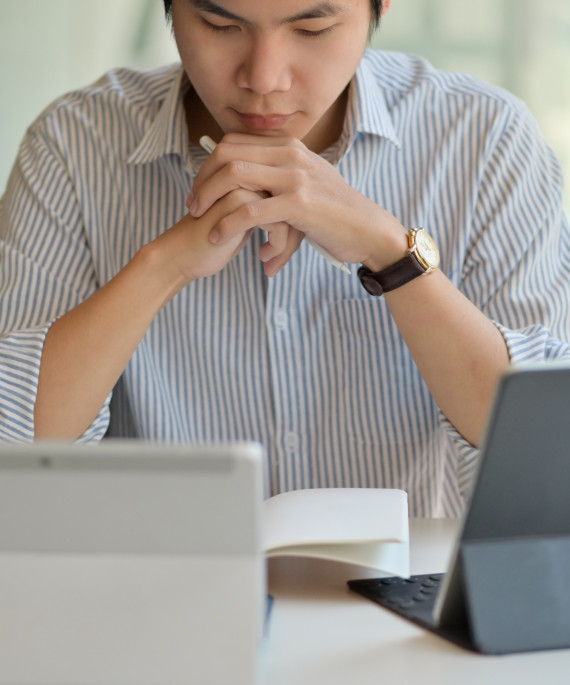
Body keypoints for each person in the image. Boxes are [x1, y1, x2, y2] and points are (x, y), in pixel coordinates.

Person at [1, 0, 569, 516]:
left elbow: (547, 460)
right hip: (159, 604)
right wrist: (164, 263)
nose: (264, 79)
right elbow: (14, 457)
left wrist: (389, 252)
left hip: (406, 609)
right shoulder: (75, 144)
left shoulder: (486, 139)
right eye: (221, 25)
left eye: (312, 27)